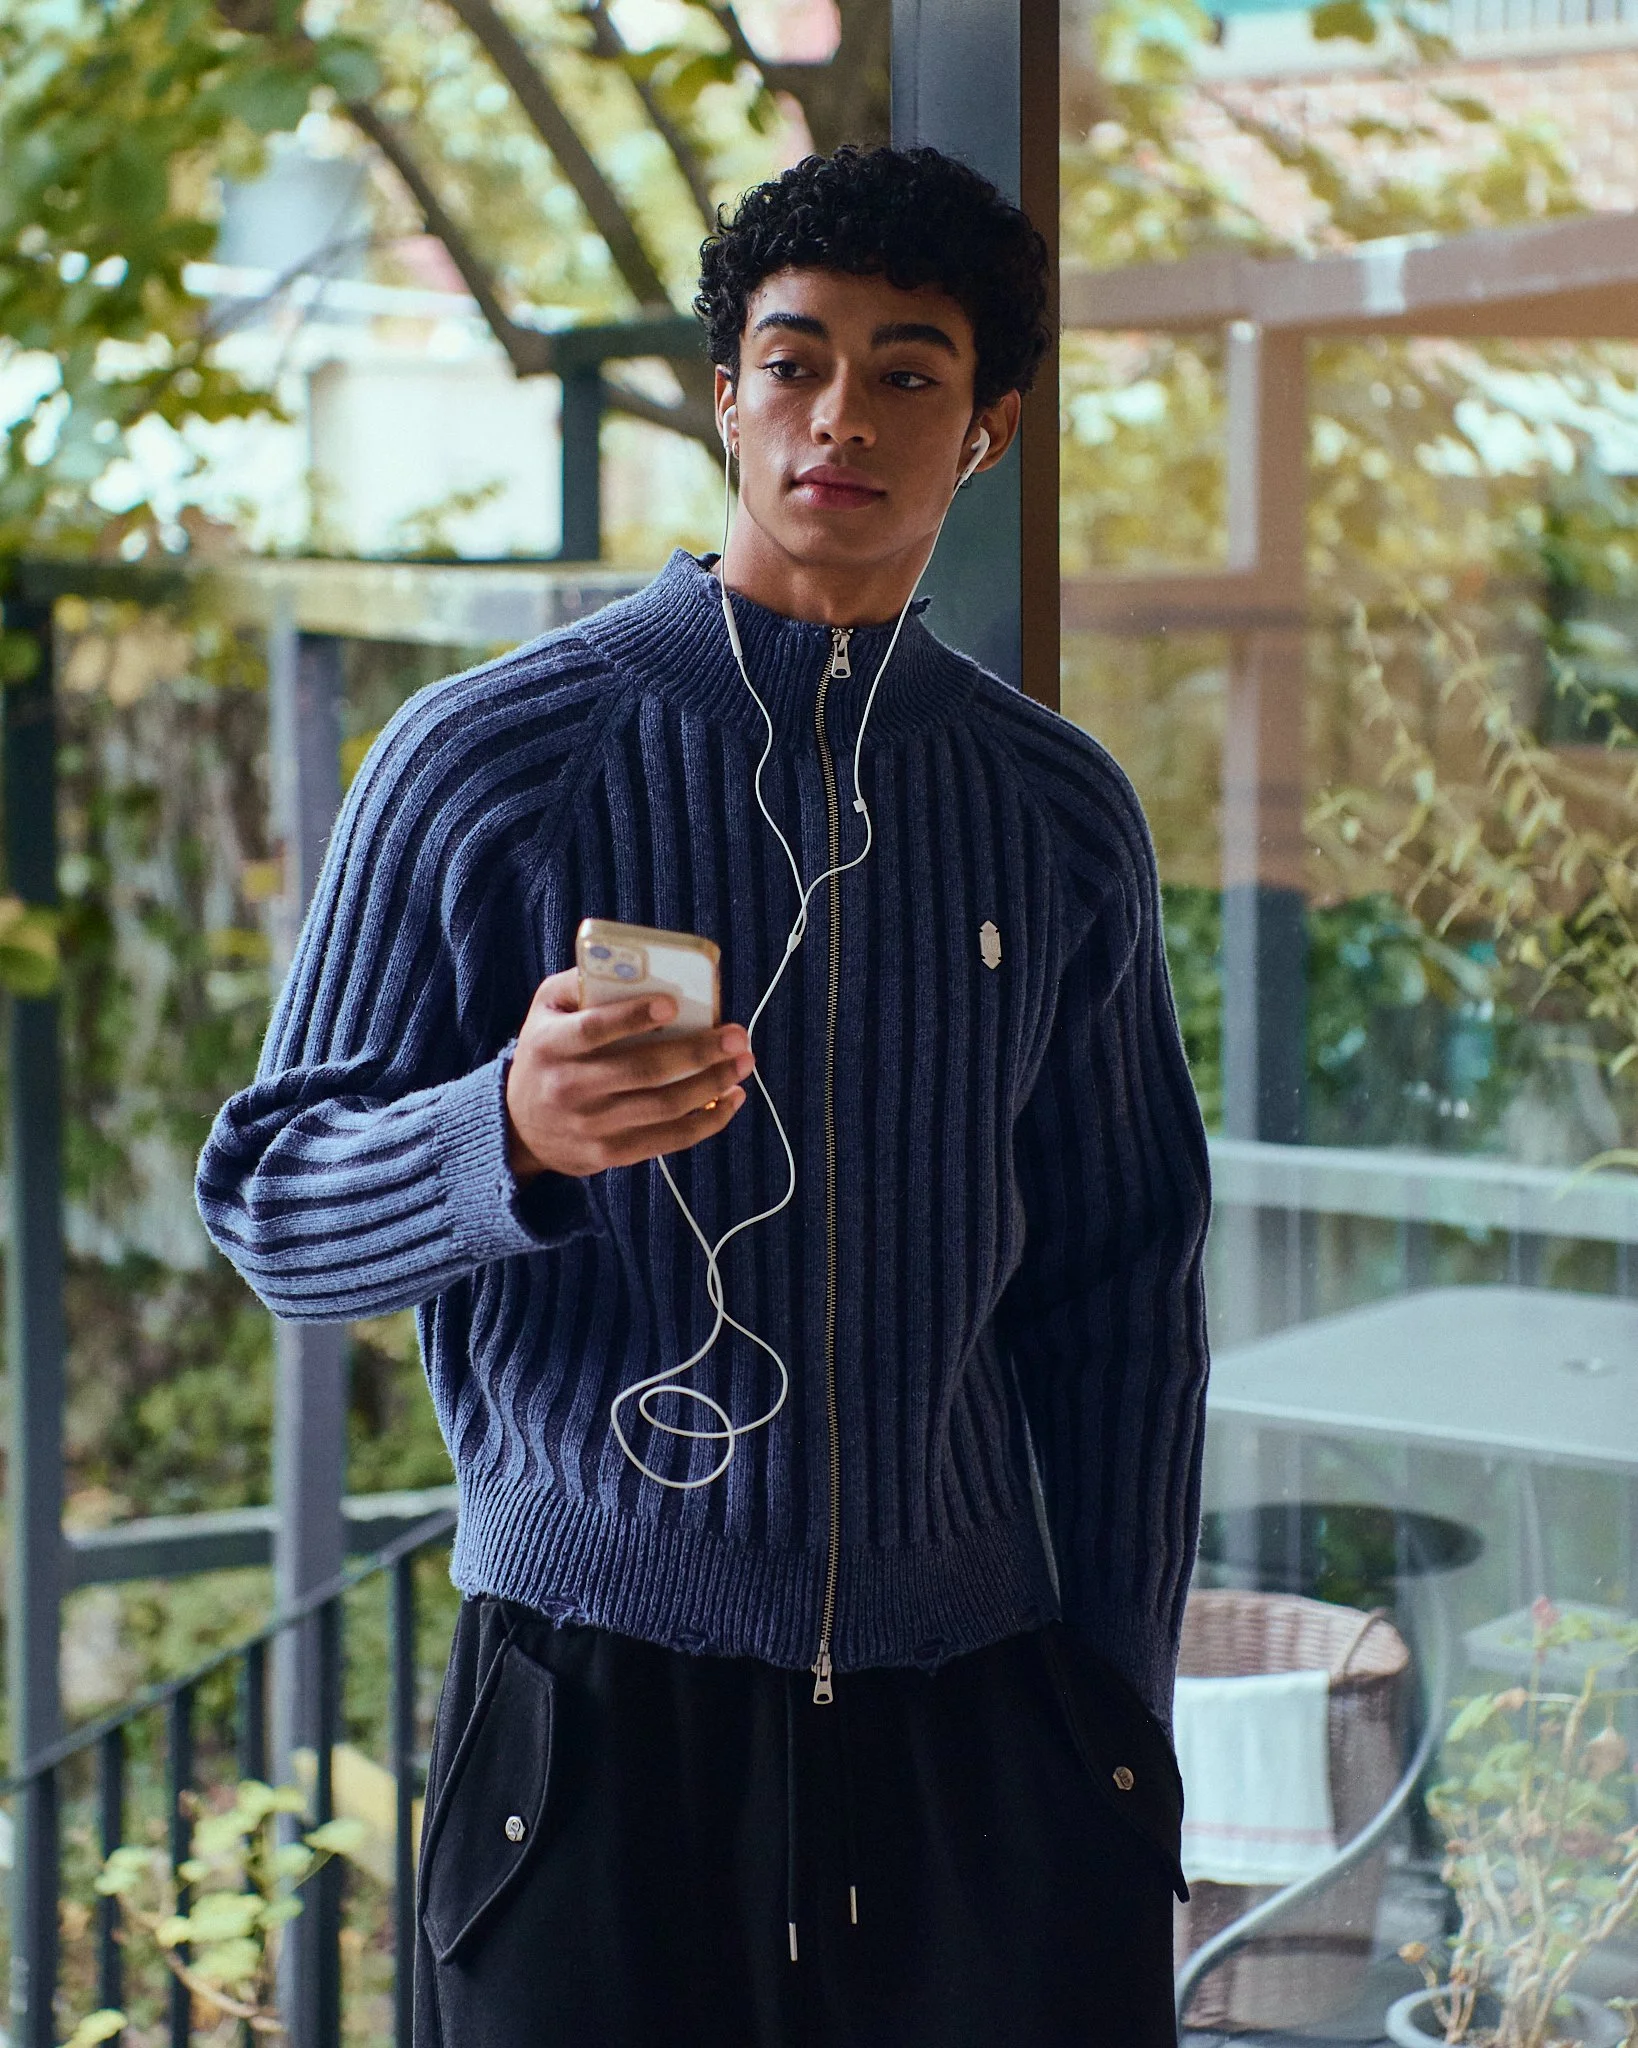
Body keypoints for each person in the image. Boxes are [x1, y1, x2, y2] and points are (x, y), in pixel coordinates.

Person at [197, 144, 1210, 2048]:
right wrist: (502, 1134)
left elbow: (1125, 1289)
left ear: (984, 431)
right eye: (794, 358)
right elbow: (268, 1205)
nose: (843, 415)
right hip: (592, 1714)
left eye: (908, 371)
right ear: (726, 397)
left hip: (981, 1712)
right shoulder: (482, 759)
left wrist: (1112, 1715)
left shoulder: (1058, 812)